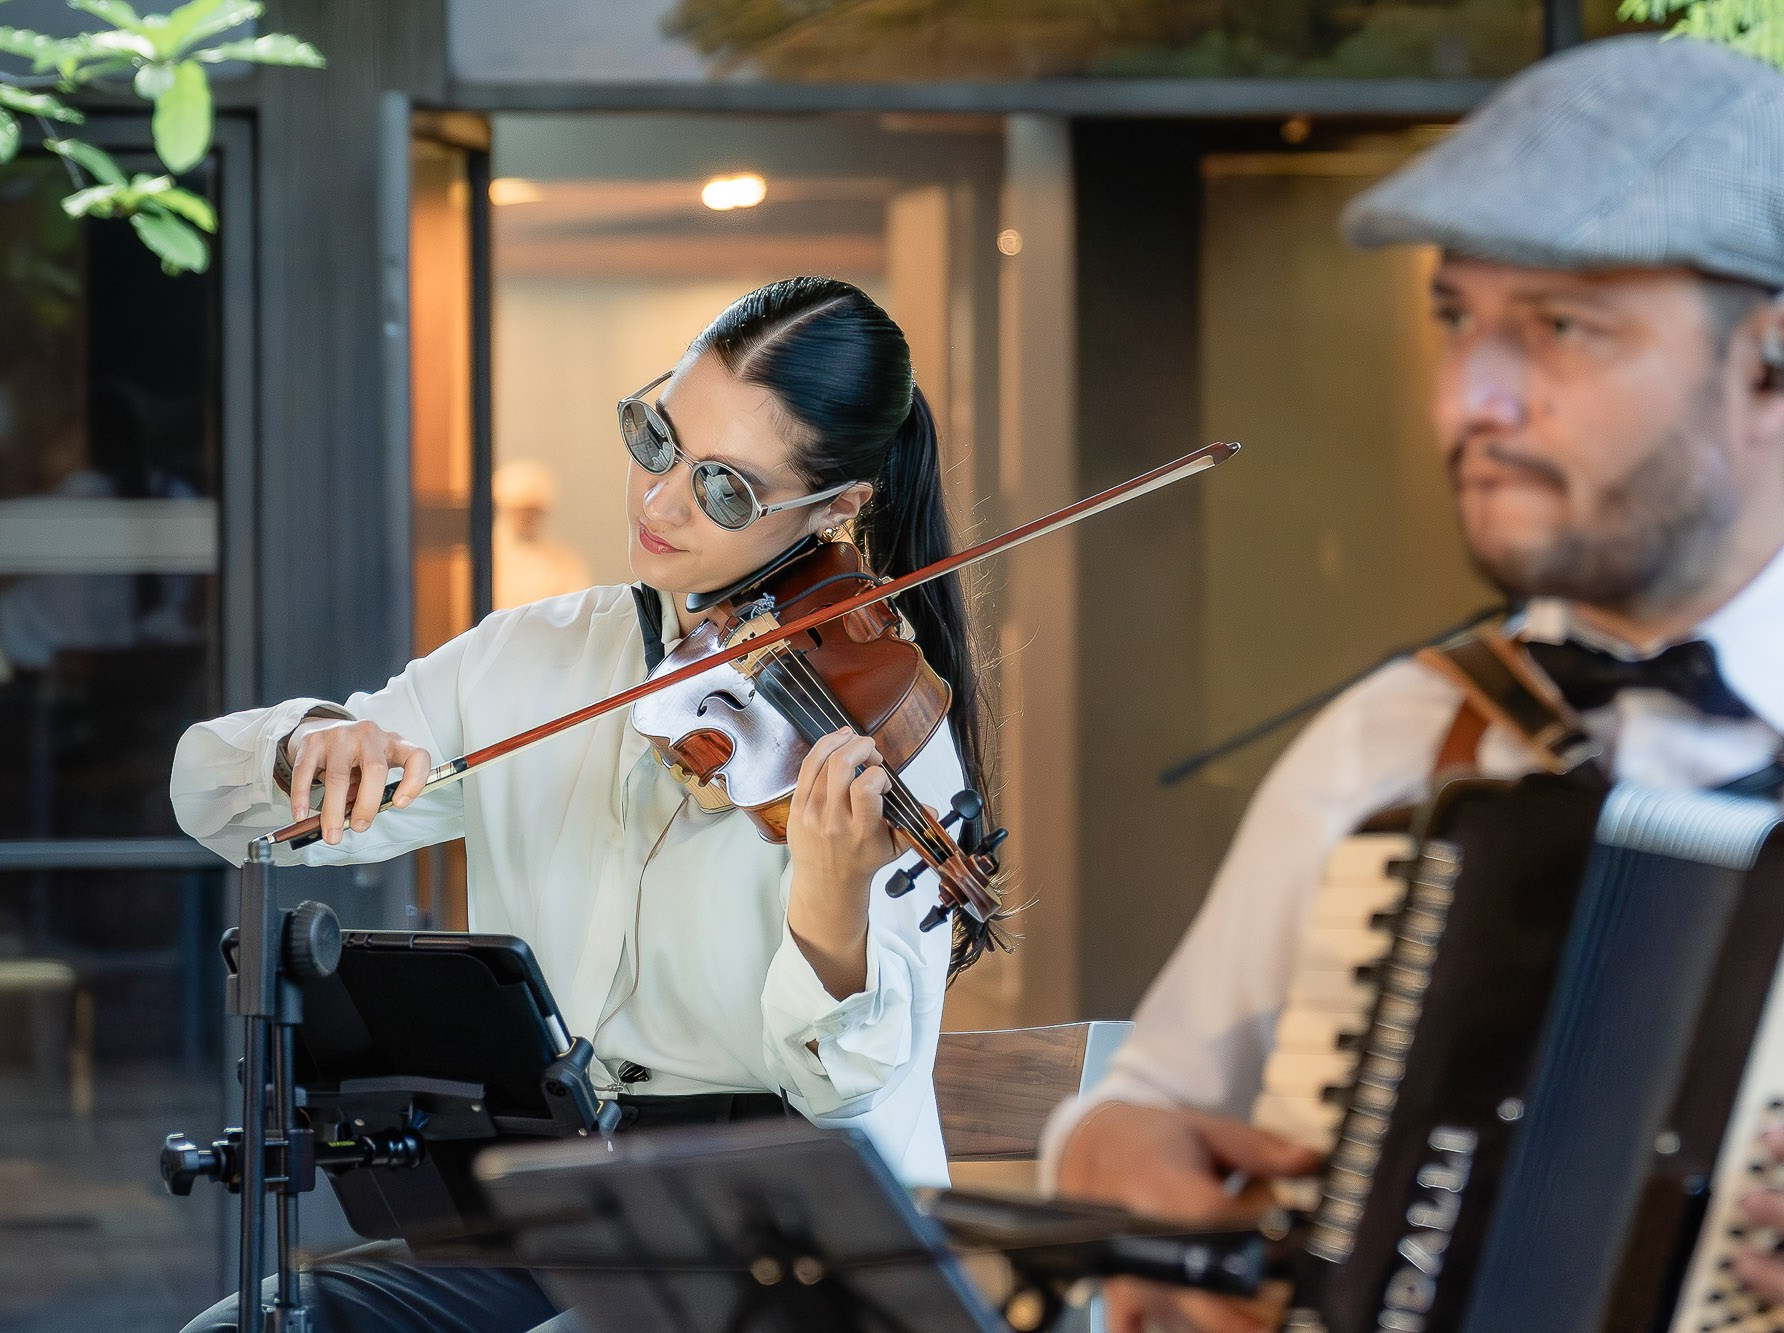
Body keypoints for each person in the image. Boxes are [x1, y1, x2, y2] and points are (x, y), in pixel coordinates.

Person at [1043, 34, 1784, 1332]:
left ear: (1768, 365)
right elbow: (1145, 1105)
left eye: (1562, 328)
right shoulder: (1400, 736)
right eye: (1457, 321)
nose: (1470, 399)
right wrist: (1110, 1160)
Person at [170, 276, 995, 1332]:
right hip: (558, 1219)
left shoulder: (887, 735)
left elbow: (850, 1089)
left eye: (725, 491)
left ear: (838, 509)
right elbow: (213, 795)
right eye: (657, 442)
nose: (658, 503)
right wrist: (306, 746)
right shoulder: (531, 656)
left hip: (789, 1245)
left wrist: (830, 915)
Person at [489, 458, 590, 610]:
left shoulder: (562, 561)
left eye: (534, 511)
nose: (527, 518)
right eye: (521, 511)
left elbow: (578, 607)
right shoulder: (487, 557)